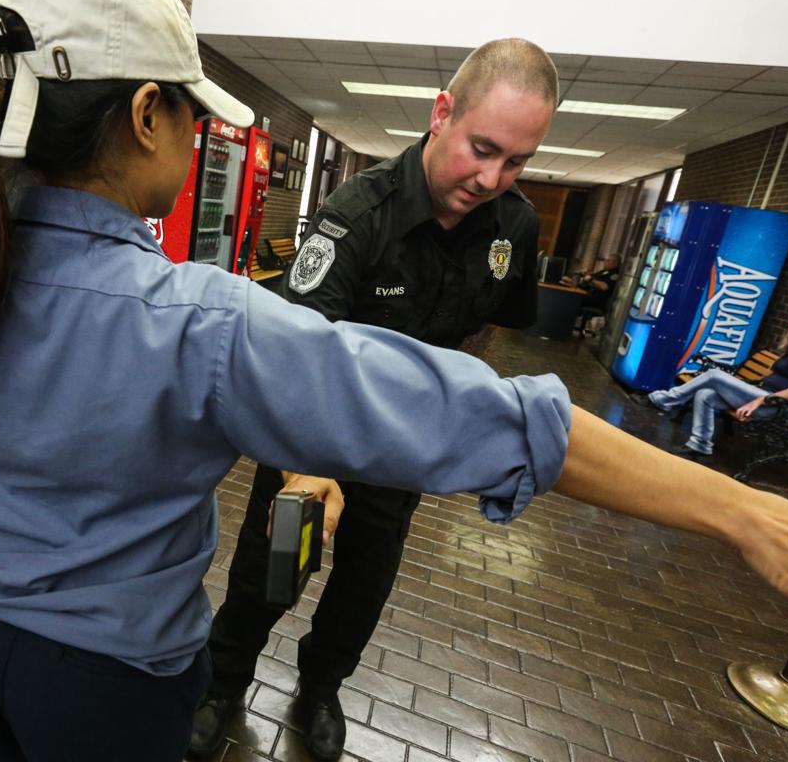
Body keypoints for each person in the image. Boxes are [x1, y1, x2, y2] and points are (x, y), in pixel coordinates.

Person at [0, 0, 788, 761]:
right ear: (146, 116)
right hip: (110, 684)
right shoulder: (202, 324)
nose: (198, 138)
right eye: (192, 115)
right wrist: (745, 511)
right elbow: (503, 422)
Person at [192, 38, 549, 760]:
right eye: (481, 149)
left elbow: (489, 327)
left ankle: (320, 690)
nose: (492, 177)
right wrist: (309, 469)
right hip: (311, 440)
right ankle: (221, 685)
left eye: (515, 161)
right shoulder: (358, 211)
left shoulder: (515, 225)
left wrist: (439, 410)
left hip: (402, 453)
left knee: (363, 587)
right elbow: (298, 352)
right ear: (442, 111)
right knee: (270, 573)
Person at [636, 308, 788, 461]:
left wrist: (758, 400)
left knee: (714, 375)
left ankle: (662, 400)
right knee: (705, 394)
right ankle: (699, 446)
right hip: (766, 397)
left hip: (780, 408)